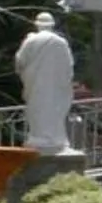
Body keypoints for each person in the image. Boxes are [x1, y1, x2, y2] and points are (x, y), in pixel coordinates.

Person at [14, 13, 78, 156]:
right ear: (52, 25)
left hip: (35, 85)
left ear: (37, 25)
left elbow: (20, 62)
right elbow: (69, 67)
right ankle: (55, 140)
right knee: (55, 112)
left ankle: (38, 138)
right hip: (56, 87)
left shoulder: (30, 41)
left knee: (37, 111)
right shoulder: (60, 42)